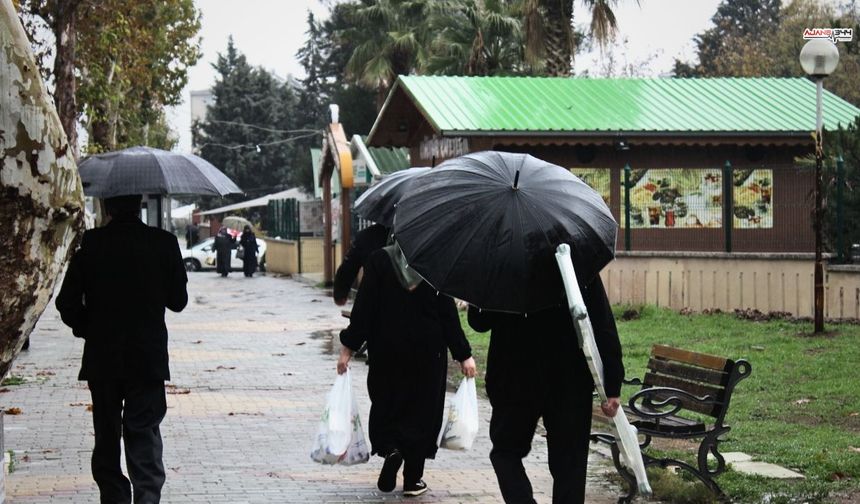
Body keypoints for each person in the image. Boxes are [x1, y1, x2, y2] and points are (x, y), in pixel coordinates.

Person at [55, 194, 188, 504]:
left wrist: (89, 328)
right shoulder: (163, 242)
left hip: (103, 359)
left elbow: (66, 303)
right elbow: (178, 301)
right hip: (147, 359)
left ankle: (114, 497)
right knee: (143, 431)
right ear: (139, 204)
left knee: (106, 436)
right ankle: (146, 498)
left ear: (108, 207)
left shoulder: (93, 244)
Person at [467, 275, 623, 504]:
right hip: (569, 379)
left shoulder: (502, 264)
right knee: (570, 464)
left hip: (515, 377)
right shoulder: (577, 261)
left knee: (506, 452)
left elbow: (478, 322)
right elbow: (602, 323)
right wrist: (613, 385)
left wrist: (479, 291)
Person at [337, 243, 477, 497]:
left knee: (387, 401)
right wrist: (463, 354)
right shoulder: (435, 263)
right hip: (428, 352)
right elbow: (447, 315)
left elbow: (364, 309)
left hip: (386, 349)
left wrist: (348, 348)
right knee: (422, 411)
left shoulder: (379, 260)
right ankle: (413, 479)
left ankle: (391, 448)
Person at [333, 223, 390, 305]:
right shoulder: (410, 235)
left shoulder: (368, 236)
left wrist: (340, 292)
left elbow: (349, 265)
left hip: (374, 296)